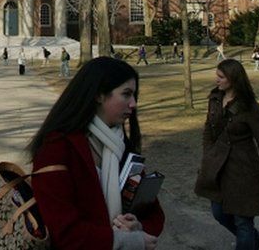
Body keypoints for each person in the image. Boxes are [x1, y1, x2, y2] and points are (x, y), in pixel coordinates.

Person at [29, 57, 162, 250]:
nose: (133, 104)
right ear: (99, 95)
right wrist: (124, 242)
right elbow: (64, 232)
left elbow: (154, 212)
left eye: (134, 95)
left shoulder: (120, 145)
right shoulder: (56, 148)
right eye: (126, 94)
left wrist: (138, 226)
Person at [195, 59, 259, 250]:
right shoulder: (214, 99)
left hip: (243, 170)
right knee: (219, 212)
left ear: (233, 79)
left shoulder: (251, 108)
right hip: (218, 168)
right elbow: (208, 129)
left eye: (221, 77)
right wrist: (208, 156)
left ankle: (246, 240)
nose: (216, 80)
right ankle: (251, 238)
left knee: (242, 221)